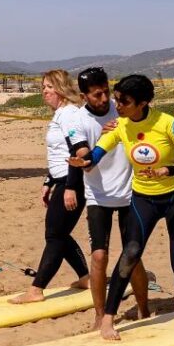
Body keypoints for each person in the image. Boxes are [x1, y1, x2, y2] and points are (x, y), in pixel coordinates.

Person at [69, 74, 174, 340]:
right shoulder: (120, 126)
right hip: (143, 200)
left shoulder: (168, 124)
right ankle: (108, 318)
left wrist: (170, 169)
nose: (116, 105)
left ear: (143, 103)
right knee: (129, 254)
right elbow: (98, 153)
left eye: (124, 101)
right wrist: (84, 163)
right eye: (117, 98)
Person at [68, 67, 149, 327]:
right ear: (84, 97)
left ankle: (144, 309)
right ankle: (99, 314)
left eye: (106, 92)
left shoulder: (123, 110)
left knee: (132, 255)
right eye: (97, 95)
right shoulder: (76, 122)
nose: (104, 100)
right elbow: (86, 161)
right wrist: (105, 138)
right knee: (100, 256)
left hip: (129, 192)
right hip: (98, 196)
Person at [12, 69, 90, 304]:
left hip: (72, 181)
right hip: (61, 179)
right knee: (59, 233)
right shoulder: (60, 114)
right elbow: (58, 154)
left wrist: (71, 187)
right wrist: (49, 181)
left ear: (61, 88)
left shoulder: (68, 114)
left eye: (48, 87)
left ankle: (36, 289)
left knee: (54, 236)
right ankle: (86, 277)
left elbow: (79, 152)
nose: (44, 91)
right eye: (43, 87)